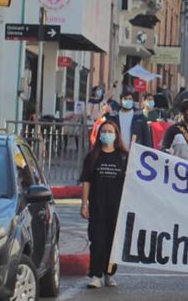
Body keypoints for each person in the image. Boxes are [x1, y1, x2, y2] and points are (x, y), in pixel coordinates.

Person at [79, 120, 128, 288]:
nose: (107, 134)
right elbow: (86, 181)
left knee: (112, 242)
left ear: (116, 135)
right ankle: (95, 274)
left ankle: (109, 273)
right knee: (97, 240)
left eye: (110, 131)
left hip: (117, 208)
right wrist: (84, 204)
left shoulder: (123, 157)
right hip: (97, 206)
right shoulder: (92, 157)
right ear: (100, 134)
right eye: (104, 131)